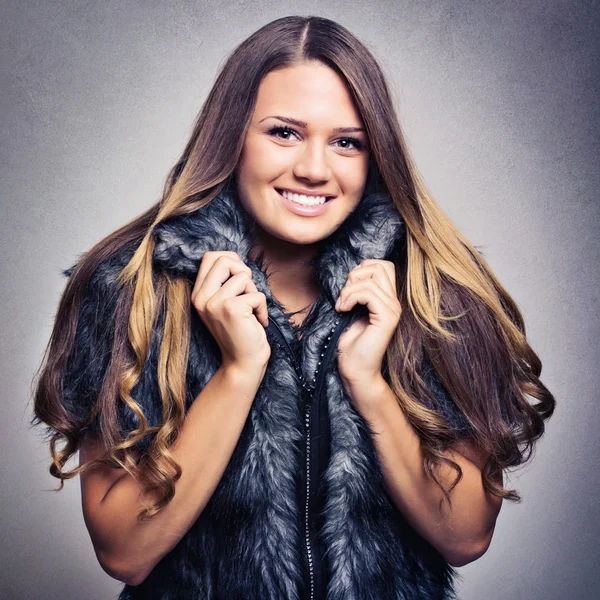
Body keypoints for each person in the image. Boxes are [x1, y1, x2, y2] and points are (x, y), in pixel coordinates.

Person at [31, 15, 555, 600]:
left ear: (375, 154)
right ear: (232, 137)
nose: (313, 168)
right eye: (283, 132)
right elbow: (124, 550)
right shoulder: (134, 288)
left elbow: (465, 537)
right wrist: (237, 371)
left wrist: (369, 384)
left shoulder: (436, 293)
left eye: (346, 142)